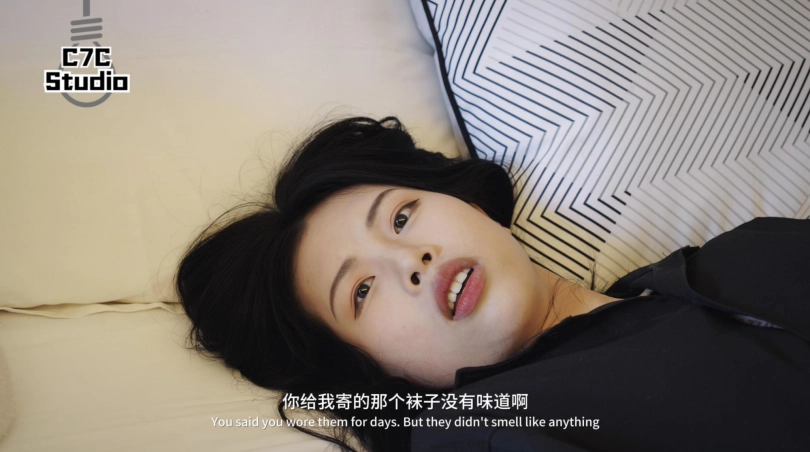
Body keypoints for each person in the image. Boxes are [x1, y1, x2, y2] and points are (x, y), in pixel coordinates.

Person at [174, 116, 810, 452]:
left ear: (472, 206)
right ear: (370, 371)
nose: (411, 258)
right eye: (361, 291)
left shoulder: (746, 250)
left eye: (401, 217)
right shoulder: (480, 433)